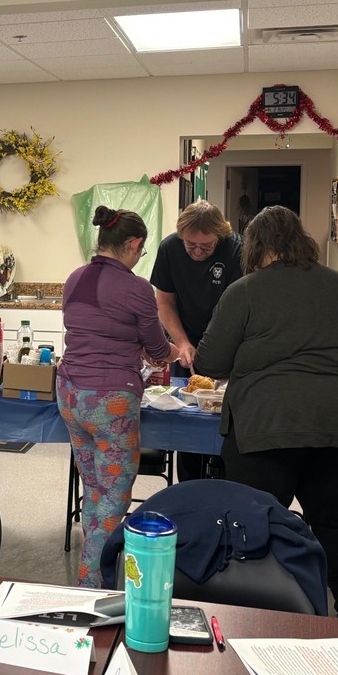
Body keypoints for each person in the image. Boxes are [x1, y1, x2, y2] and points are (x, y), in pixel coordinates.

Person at [193, 206, 338, 616]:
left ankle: (258, 615)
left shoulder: (245, 290)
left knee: (254, 523)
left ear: (254, 246)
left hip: (268, 425)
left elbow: (209, 362)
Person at [58, 207, 180, 588]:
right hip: (109, 400)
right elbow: (157, 348)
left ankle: (97, 569)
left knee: (94, 487)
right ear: (133, 244)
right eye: (140, 252)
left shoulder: (75, 277)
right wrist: (180, 351)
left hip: (70, 394)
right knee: (114, 496)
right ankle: (91, 583)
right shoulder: (137, 288)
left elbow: (95, 329)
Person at [149, 199, 242, 480]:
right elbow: (164, 302)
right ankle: (188, 488)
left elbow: (239, 308)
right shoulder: (169, 248)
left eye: (207, 246)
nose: (198, 252)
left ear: (220, 236)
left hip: (228, 341)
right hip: (185, 338)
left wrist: (215, 348)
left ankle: (223, 489)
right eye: (191, 246)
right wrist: (183, 344)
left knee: (224, 424)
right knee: (187, 421)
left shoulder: (237, 249)